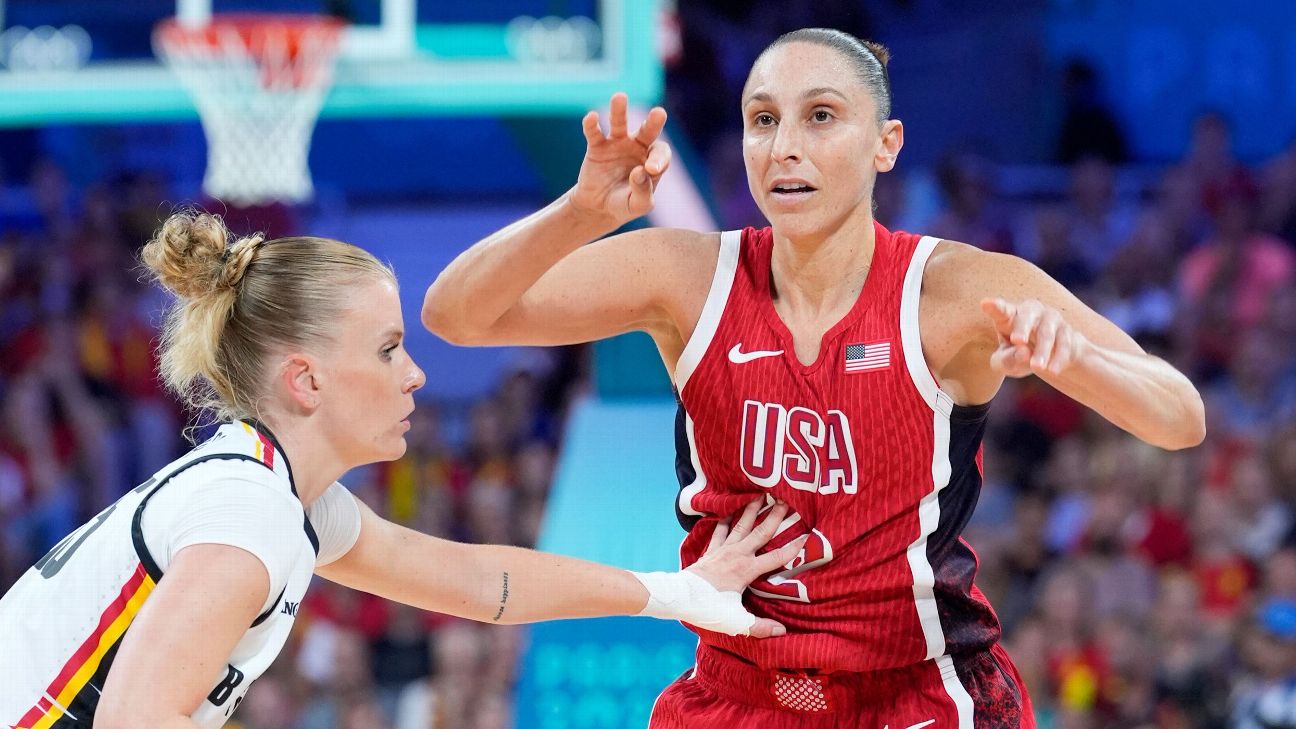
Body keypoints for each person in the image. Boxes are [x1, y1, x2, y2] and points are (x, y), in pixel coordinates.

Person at [421, 27, 1206, 728]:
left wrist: (1081, 360)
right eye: (763, 119)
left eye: (820, 116)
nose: (784, 145)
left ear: (886, 143)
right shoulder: (687, 276)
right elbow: (456, 315)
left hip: (918, 692)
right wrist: (581, 212)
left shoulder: (957, 290)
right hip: (736, 692)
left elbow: (1180, 416)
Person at [0, 211, 809, 729]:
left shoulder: (286, 500)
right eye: (389, 349)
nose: (416, 374)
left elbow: (476, 579)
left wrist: (675, 592)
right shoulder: (247, 515)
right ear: (306, 379)